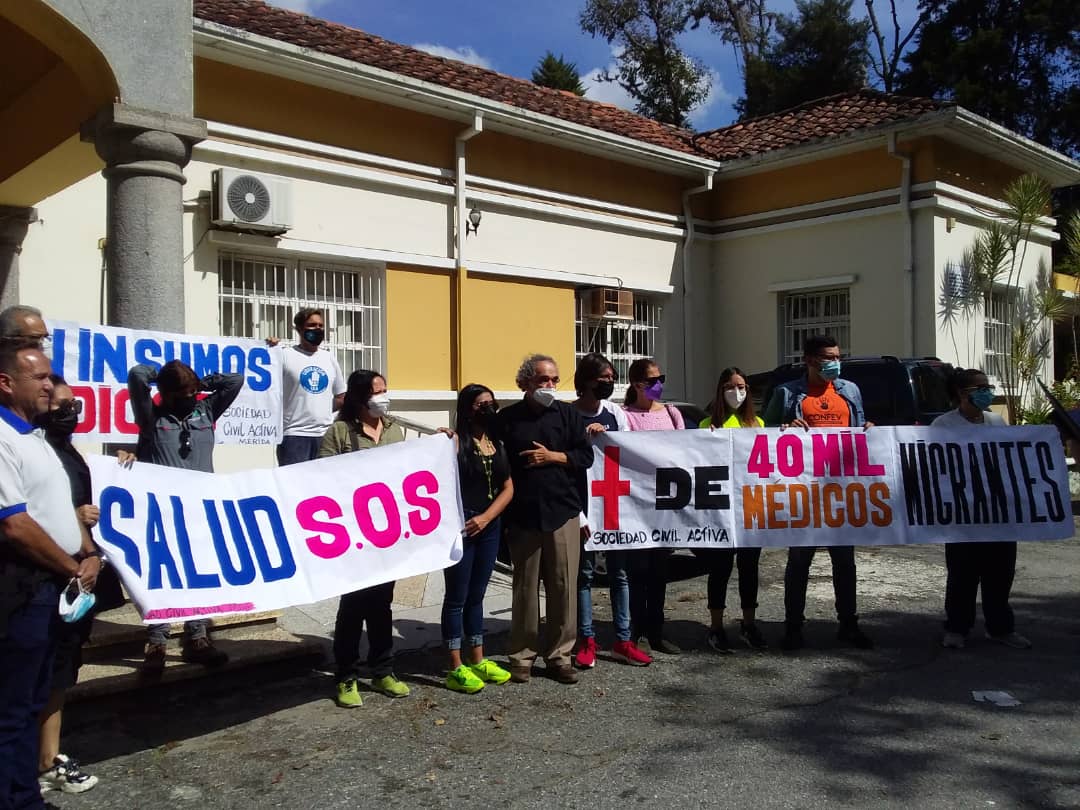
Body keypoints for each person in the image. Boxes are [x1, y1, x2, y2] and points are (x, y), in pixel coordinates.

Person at [0, 343, 95, 810]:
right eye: (38, 378)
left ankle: (26, 797)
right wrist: (71, 565)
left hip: (57, 588)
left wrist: (89, 553)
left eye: (49, 377)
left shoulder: (34, 438)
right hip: (25, 590)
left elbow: (61, 508)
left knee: (34, 697)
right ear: (5, 383)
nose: (49, 387)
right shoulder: (1, 437)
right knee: (13, 710)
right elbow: (14, 524)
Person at [125, 360, 243, 675]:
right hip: (162, 510)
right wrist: (162, 376)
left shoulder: (205, 411)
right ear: (166, 393)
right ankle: (157, 641)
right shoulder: (151, 416)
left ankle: (198, 637)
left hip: (200, 508)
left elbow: (235, 381)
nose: (190, 397)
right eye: (183, 393)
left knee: (198, 572)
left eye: (194, 392)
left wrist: (202, 382)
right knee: (163, 575)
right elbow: (137, 375)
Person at [35, 376, 121, 796]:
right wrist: (76, 523)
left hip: (76, 573)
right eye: (62, 405)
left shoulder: (66, 451)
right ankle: (39, 760)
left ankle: (47, 758)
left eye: (75, 405)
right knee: (44, 670)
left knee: (61, 670)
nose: (71, 412)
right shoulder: (36, 451)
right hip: (48, 575)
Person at [763, 334, 874, 651]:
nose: (835, 363)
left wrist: (868, 431)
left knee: (844, 562)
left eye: (838, 356)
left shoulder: (849, 391)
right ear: (810, 361)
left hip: (840, 490)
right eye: (828, 358)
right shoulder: (787, 394)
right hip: (804, 491)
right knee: (799, 562)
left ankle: (849, 624)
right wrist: (783, 430)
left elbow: (860, 428)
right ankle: (794, 627)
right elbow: (762, 435)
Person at [494, 354, 594, 685]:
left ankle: (559, 656)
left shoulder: (567, 414)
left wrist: (554, 456)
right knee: (525, 588)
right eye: (542, 380)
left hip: (563, 512)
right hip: (523, 515)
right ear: (525, 383)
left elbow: (585, 456)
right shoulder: (507, 419)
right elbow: (486, 449)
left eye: (553, 380)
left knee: (564, 587)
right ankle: (522, 655)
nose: (549, 385)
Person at [320, 370, 411, 707]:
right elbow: (321, 476)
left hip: (386, 532)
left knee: (381, 605)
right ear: (360, 396)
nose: (383, 397)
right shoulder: (340, 432)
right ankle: (346, 675)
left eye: (386, 390)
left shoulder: (393, 430)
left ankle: (383, 669)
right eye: (377, 391)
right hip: (353, 532)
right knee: (353, 606)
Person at [934, 368, 1031, 650]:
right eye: (981, 387)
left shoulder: (996, 421)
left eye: (987, 386)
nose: (988, 391)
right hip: (963, 514)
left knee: (1000, 573)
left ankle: (1000, 628)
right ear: (963, 394)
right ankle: (956, 628)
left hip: (998, 513)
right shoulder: (943, 426)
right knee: (962, 573)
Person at [572, 353, 651, 668]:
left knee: (619, 574)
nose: (608, 382)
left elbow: (630, 454)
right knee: (585, 576)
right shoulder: (568, 415)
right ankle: (586, 639)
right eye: (603, 378)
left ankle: (623, 638)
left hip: (616, 507)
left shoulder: (616, 413)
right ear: (587, 381)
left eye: (610, 377)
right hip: (583, 506)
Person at [440, 385, 514, 694]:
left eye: (491, 403)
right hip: (460, 526)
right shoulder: (456, 442)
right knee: (457, 596)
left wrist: (487, 518)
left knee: (477, 594)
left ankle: (477, 658)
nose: (488, 408)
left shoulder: (496, 442)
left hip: (488, 526)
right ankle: (455, 665)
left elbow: (508, 487)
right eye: (481, 404)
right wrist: (441, 439)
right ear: (468, 409)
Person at [699, 367, 768, 652]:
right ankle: (716, 626)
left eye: (741, 386)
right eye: (729, 386)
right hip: (720, 510)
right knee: (720, 570)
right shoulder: (706, 425)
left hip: (750, 509)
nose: (736, 392)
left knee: (750, 569)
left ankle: (748, 624)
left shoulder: (758, 423)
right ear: (719, 390)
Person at [622, 357, 684, 655]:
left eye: (662, 378)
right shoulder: (624, 416)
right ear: (637, 384)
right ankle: (634, 632)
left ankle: (657, 631)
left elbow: (687, 451)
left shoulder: (672, 414)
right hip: (635, 505)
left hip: (665, 505)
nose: (659, 384)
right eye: (653, 380)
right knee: (637, 572)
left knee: (659, 572)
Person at [274, 308, 346, 466]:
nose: (318, 329)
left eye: (321, 325)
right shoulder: (284, 355)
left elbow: (341, 397)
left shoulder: (329, 357)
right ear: (299, 329)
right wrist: (267, 347)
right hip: (294, 436)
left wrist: (322, 408)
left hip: (326, 435)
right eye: (312, 325)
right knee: (295, 487)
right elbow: (268, 391)